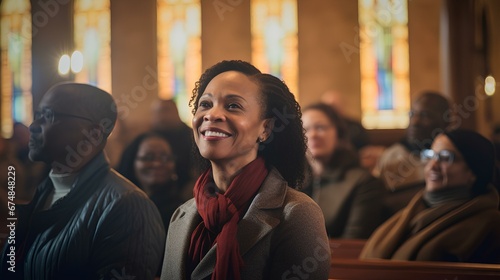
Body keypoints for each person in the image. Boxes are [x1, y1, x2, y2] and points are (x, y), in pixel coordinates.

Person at [160, 60, 330, 280]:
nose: (212, 115)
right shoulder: (181, 215)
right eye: (205, 104)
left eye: (233, 106)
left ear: (265, 128)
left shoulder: (297, 213)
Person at [0, 83, 165, 279]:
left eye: (49, 116)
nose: (33, 126)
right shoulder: (45, 191)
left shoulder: (128, 205)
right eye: (37, 116)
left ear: (93, 134)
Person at [360, 129, 500, 263]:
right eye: (430, 155)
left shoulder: (489, 224)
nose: (432, 165)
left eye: (445, 158)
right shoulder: (411, 211)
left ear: (473, 172)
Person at [301, 103, 384, 239]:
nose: (313, 134)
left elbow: (353, 242)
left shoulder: (364, 182)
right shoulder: (290, 180)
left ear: (338, 134)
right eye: (305, 130)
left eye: (320, 127)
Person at [373, 92, 451, 217]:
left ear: (445, 121)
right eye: (412, 114)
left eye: (425, 116)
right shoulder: (392, 156)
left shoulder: (452, 158)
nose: (415, 122)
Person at [117, 131, 189, 232]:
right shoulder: (119, 208)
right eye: (148, 158)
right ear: (132, 164)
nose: (157, 164)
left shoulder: (182, 213)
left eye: (165, 158)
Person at [151, 99, 194, 189]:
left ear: (176, 112)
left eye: (165, 110)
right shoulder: (148, 138)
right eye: (157, 112)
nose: (161, 116)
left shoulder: (193, 137)